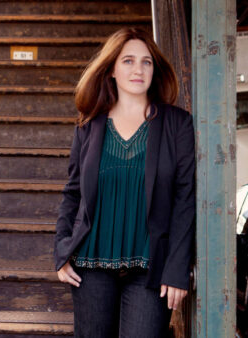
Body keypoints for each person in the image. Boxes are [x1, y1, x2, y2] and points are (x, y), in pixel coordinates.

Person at [54, 27, 195, 338]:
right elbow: (73, 193)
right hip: (89, 266)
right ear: (112, 70)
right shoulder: (88, 125)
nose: (138, 69)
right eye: (128, 61)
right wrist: (62, 250)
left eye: (146, 62)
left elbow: (185, 200)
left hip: (150, 270)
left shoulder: (177, 124)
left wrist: (177, 267)